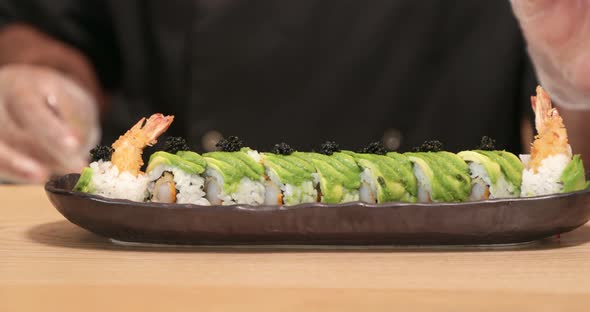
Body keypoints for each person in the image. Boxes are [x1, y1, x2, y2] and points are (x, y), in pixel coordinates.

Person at [0, 0, 588, 183]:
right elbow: (48, 22)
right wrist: (39, 83)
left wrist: (579, 86)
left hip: (458, 267)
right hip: (159, 257)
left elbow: (569, 161)